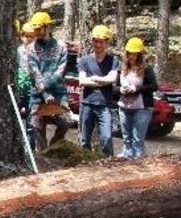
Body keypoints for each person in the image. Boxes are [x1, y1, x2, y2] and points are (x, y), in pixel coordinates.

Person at [25, 11, 70, 151]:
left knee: (66, 122)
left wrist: (49, 89)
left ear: (47, 27)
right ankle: (43, 155)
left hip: (58, 93)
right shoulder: (30, 49)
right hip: (38, 96)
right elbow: (35, 74)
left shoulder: (61, 47)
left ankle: (54, 147)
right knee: (37, 126)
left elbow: (60, 71)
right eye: (35, 29)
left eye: (39, 29)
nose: (37, 32)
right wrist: (44, 94)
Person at [77, 25, 120, 156]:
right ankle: (85, 164)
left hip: (104, 104)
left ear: (107, 42)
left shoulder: (113, 60)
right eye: (95, 41)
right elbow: (82, 81)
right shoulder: (85, 60)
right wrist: (103, 80)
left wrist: (94, 79)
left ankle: (109, 163)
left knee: (107, 138)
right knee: (84, 140)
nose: (98, 44)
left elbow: (112, 78)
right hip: (87, 104)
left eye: (101, 41)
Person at [117, 37, 158, 159]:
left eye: (134, 54)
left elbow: (154, 86)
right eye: (129, 54)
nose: (131, 57)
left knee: (137, 139)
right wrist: (120, 90)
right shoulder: (122, 68)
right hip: (124, 107)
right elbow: (114, 87)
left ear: (139, 54)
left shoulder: (147, 69)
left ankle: (139, 162)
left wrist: (137, 89)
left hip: (142, 108)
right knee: (126, 137)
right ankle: (127, 157)